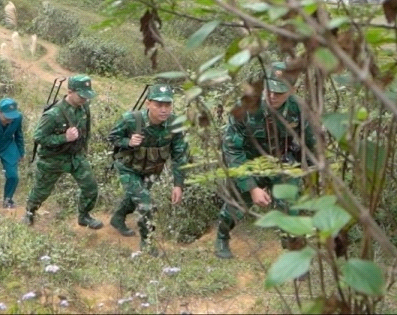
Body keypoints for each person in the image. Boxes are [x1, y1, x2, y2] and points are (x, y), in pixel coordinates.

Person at [214, 61, 317, 260]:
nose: (273, 95)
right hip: (248, 163)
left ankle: (294, 255)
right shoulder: (244, 108)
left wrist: (311, 172)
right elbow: (233, 150)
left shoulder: (299, 109)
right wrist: (252, 187)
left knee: (290, 209)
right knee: (236, 206)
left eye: (280, 92)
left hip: (282, 165)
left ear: (292, 90)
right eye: (270, 90)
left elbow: (312, 144)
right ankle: (222, 236)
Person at [107, 84, 189, 255]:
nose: (164, 109)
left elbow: (179, 156)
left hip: (152, 170)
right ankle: (148, 244)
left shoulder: (175, 125)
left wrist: (178, 184)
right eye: (159, 105)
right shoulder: (131, 119)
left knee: (133, 197)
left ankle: (117, 218)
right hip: (128, 168)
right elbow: (112, 137)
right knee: (145, 201)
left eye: (168, 105)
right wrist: (127, 142)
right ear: (148, 104)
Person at [23, 74, 103, 230]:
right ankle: (29, 212)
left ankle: (84, 216)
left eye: (87, 96)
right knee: (42, 191)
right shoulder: (53, 114)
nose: (84, 99)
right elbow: (39, 137)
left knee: (90, 187)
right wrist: (64, 138)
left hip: (76, 156)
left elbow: (86, 130)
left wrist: (84, 148)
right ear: (70, 91)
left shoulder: (84, 107)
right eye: (81, 96)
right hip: (54, 158)